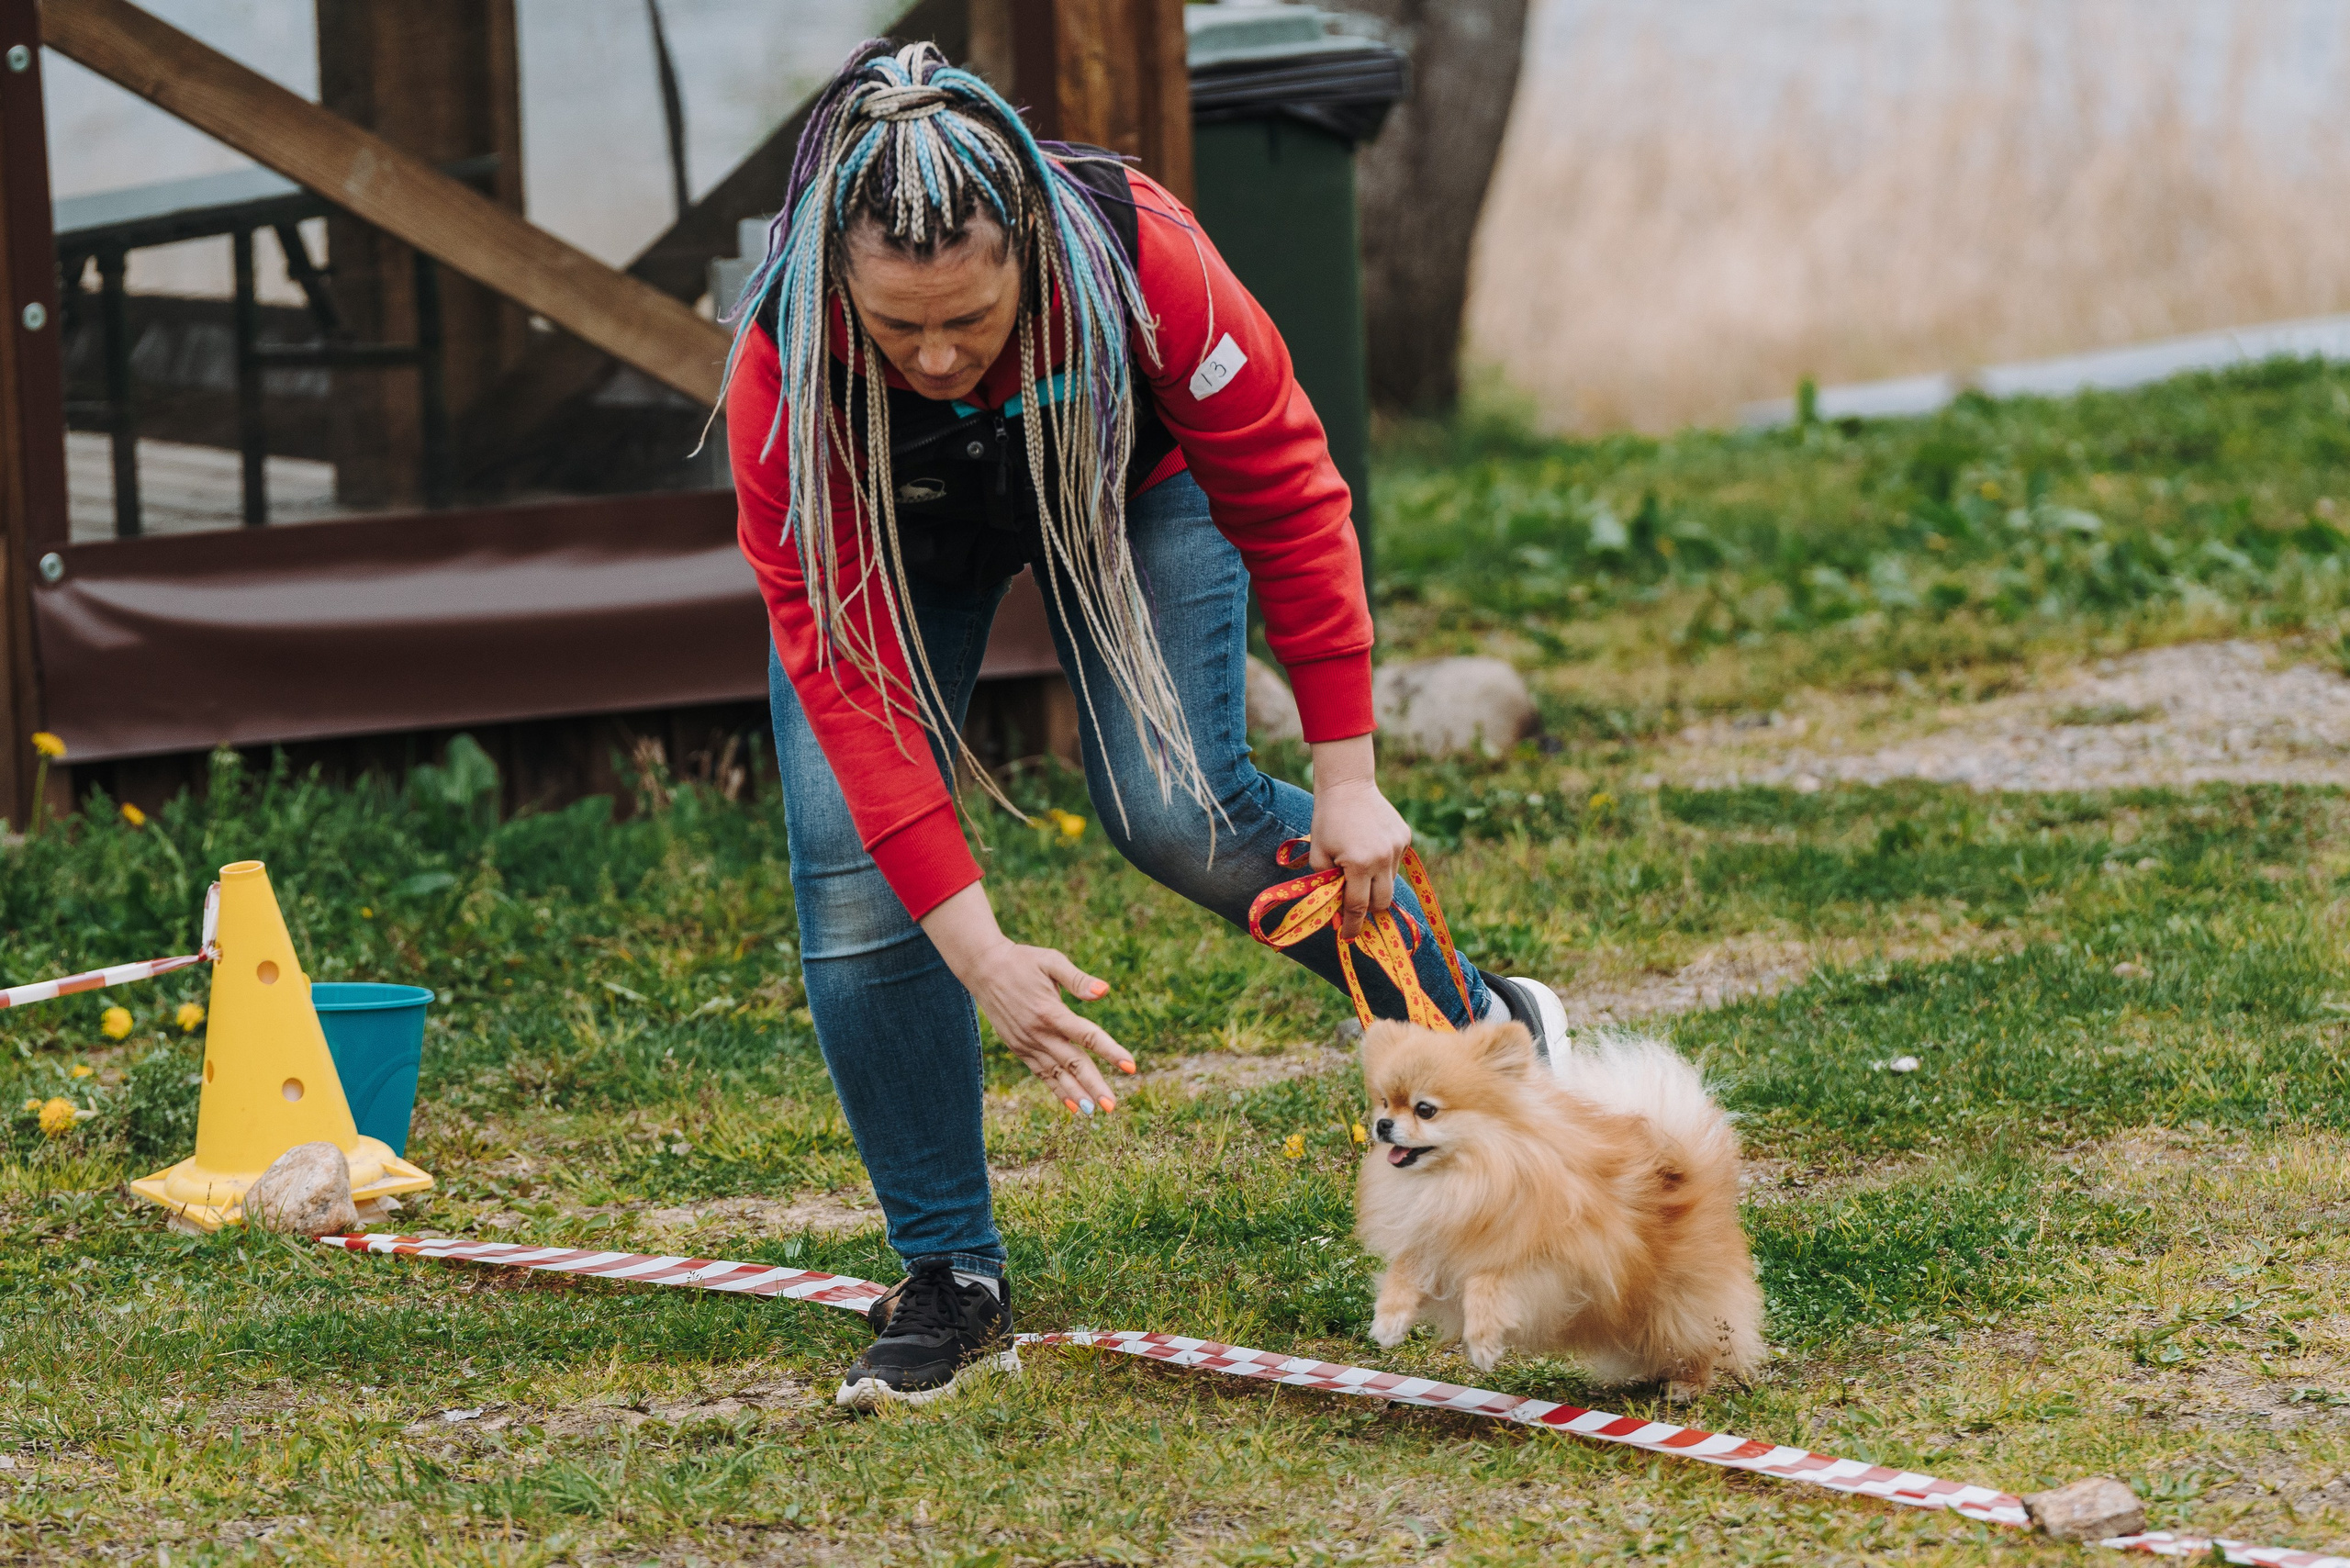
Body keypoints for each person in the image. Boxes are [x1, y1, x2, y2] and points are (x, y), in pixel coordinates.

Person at [725, 39, 1567, 1409]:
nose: (937, 358)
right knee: (853, 881)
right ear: (837, 288)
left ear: (1032, 260)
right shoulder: (787, 357)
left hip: (1133, 485)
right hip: (892, 535)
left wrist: (1347, 779)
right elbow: (844, 677)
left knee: (1180, 810)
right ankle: (952, 1274)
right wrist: (978, 947)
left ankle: (1483, 1037)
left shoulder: (1140, 256)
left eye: (973, 322)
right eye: (899, 330)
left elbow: (1290, 498)